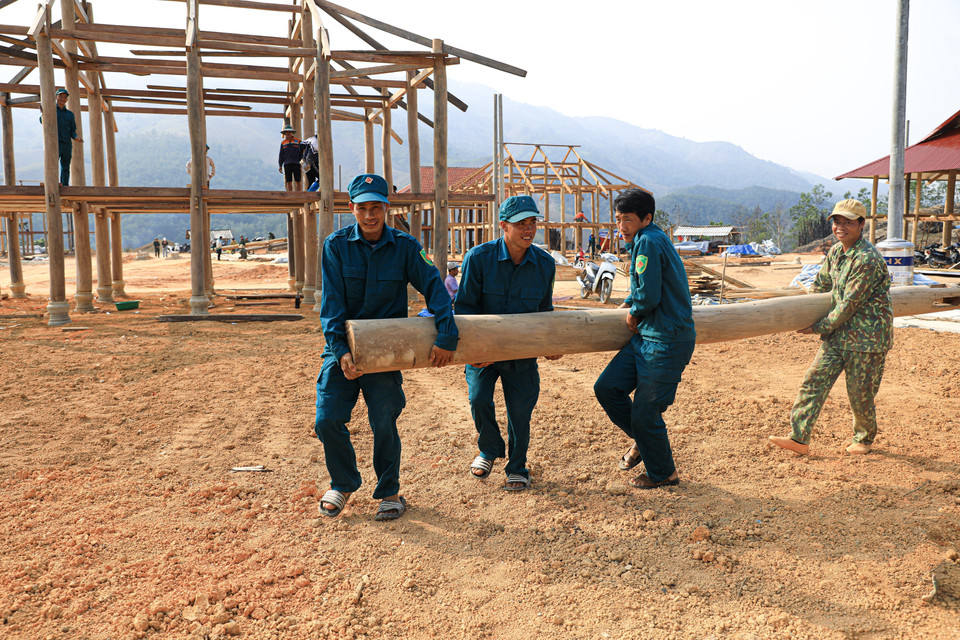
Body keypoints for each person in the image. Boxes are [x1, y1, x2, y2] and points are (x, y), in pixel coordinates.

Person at [315, 173, 457, 521]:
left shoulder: (406, 247)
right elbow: (331, 305)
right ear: (351, 208)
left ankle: (389, 491)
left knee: (384, 420)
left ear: (386, 208)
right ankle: (343, 483)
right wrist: (340, 352)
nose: (369, 215)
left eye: (376, 208)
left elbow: (435, 288)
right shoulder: (335, 246)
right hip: (343, 348)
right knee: (327, 419)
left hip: (386, 351)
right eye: (362, 208)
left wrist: (447, 336)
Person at [769, 199, 892, 456]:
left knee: (860, 393)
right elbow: (821, 284)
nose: (840, 227)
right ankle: (799, 438)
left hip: (867, 340)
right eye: (837, 222)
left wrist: (817, 326)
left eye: (848, 222)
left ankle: (864, 438)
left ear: (861, 224)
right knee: (814, 381)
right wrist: (806, 311)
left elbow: (848, 304)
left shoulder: (867, 259)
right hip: (838, 335)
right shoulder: (836, 252)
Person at [455, 195, 559, 491]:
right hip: (483, 350)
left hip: (522, 354)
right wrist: (473, 351)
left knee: (520, 411)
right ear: (503, 226)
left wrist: (551, 344)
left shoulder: (545, 264)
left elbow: (545, 311)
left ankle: (517, 467)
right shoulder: (478, 258)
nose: (528, 229)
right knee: (478, 399)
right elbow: (464, 308)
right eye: (520, 223)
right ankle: (489, 449)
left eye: (532, 222)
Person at [594, 188, 696, 490]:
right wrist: (630, 301)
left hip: (665, 340)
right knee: (607, 388)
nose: (621, 226)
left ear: (646, 218)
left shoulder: (649, 241)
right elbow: (647, 284)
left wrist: (635, 311)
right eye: (618, 219)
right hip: (647, 337)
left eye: (627, 219)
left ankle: (663, 473)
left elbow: (649, 295)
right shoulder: (648, 239)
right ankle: (645, 440)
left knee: (645, 413)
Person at [44, 88, 83, 186]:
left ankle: (65, 185)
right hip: (55, 143)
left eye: (65, 97)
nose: (62, 99)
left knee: (65, 166)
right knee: (52, 164)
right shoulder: (51, 110)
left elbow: (72, 130)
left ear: (67, 99)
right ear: (56, 97)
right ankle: (52, 184)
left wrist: (76, 138)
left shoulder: (70, 114)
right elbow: (42, 121)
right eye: (60, 96)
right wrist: (44, 113)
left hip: (67, 143)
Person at [278, 125, 302, 191]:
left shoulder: (298, 141)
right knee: (288, 181)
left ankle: (299, 194)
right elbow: (281, 154)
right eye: (286, 132)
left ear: (292, 132)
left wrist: (302, 162)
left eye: (289, 132)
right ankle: (290, 194)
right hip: (287, 164)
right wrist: (280, 165)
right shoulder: (283, 143)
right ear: (285, 133)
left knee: (298, 180)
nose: (288, 133)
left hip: (297, 163)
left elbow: (301, 153)